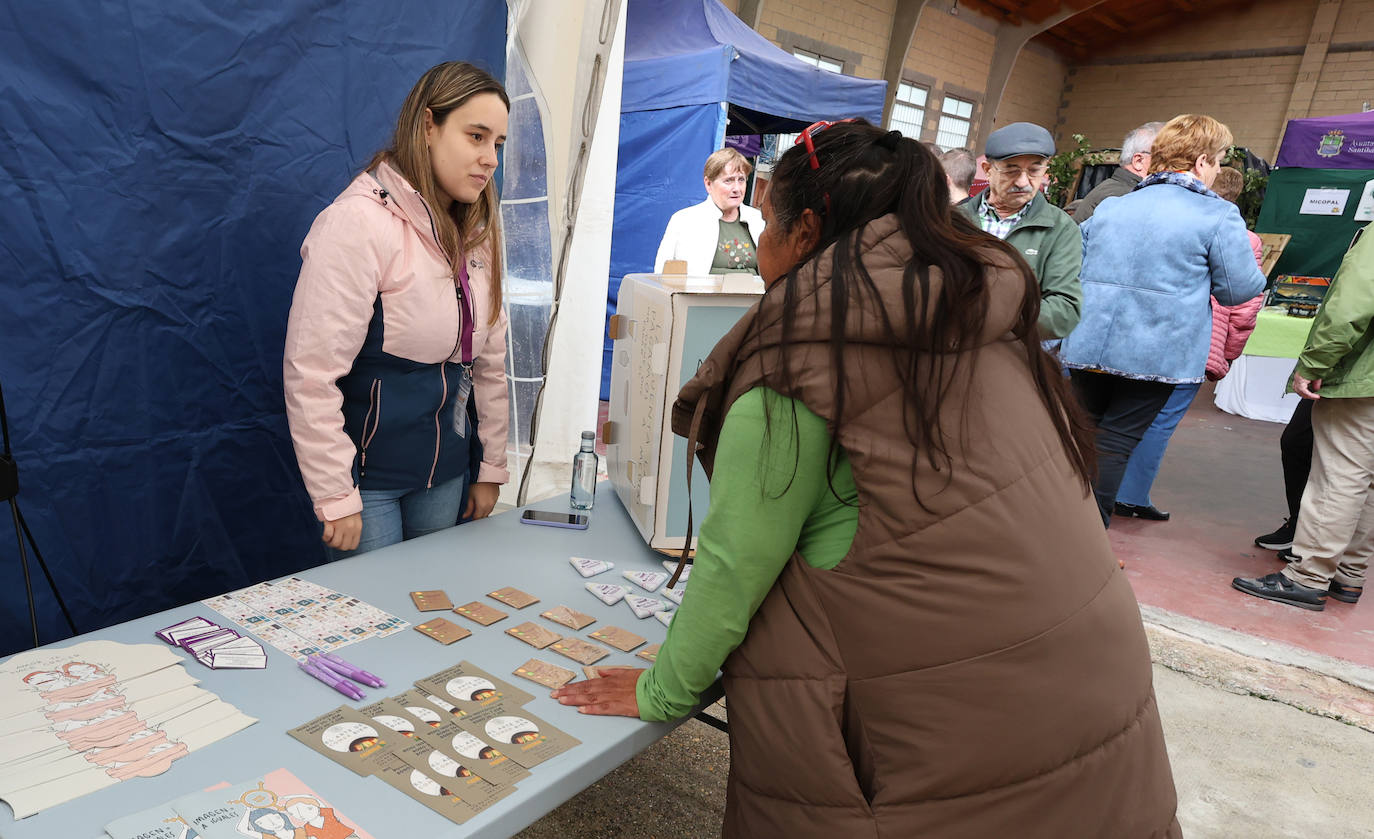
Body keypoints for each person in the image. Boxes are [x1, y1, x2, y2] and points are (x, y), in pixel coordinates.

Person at [552, 119, 1179, 837]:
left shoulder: (793, 364)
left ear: (807, 230)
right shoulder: (980, 315)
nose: (758, 245)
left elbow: (732, 569)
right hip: (1095, 697)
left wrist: (664, 691)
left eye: (768, 223)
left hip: (949, 740)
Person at [283, 62, 510, 557]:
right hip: (369, 483)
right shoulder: (356, 224)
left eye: (498, 143)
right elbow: (311, 373)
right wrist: (336, 495)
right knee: (374, 621)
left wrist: (490, 469)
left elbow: (489, 364)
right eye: (475, 136)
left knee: (438, 613)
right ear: (428, 126)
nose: (490, 158)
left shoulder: (478, 235)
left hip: (447, 474)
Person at [1058, 114, 1266, 527]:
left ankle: (1058, 530)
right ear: (1203, 160)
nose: (1220, 168)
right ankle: (1086, 540)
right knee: (1116, 443)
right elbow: (1238, 290)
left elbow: (1074, 268)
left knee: (1081, 437)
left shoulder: (1114, 207)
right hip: (1156, 353)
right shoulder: (1218, 216)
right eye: (1221, 158)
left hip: (1089, 343)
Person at [1232, 225, 1374, 610]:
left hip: (1363, 381)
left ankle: (1308, 576)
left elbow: (1349, 309)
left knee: (1339, 478)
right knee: (1367, 484)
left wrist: (1314, 362)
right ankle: (1348, 576)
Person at [1114, 165, 1265, 520]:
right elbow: (1244, 307)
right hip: (1195, 343)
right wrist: (1227, 355)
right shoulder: (1244, 238)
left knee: (1122, 416)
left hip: (1148, 333)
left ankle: (1106, 488)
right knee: (1161, 420)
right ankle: (1131, 496)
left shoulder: (1156, 216)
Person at [957, 122, 1082, 338]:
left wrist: (992, 318)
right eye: (1011, 170)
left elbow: (1065, 310)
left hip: (1015, 352)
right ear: (987, 170)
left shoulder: (1060, 229)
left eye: (1034, 170)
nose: (1023, 181)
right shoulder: (955, 219)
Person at [654, 148, 765, 276]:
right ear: (708, 184)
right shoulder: (684, 220)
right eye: (728, 180)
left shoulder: (759, 220)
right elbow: (661, 274)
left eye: (741, 180)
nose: (736, 188)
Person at [1074, 121, 1164, 224]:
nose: (1172, 167)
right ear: (1138, 161)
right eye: (1164, 158)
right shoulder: (1123, 198)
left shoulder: (1118, 189)